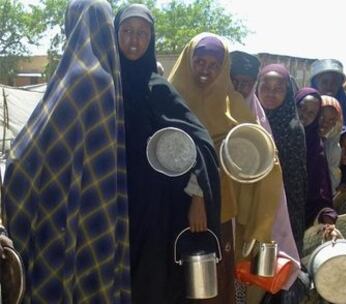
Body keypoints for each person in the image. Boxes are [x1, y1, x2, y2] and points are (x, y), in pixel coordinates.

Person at [2, 0, 131, 302]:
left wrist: (14, 165)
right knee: (90, 277)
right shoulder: (107, 77)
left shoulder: (79, 77)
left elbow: (27, 151)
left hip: (58, 207)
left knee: (57, 281)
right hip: (97, 206)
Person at [169, 33, 300, 304]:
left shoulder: (234, 106)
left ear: (222, 68)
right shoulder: (169, 97)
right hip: (168, 207)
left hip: (217, 210)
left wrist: (200, 196)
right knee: (173, 279)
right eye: (200, 61)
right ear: (188, 60)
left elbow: (262, 161)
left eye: (215, 64)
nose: (206, 69)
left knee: (212, 283)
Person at [115, 6, 221, 303]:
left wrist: (198, 195)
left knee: (153, 283)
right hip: (115, 205)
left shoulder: (159, 89)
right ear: (115, 35)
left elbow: (200, 143)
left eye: (142, 33)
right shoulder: (104, 88)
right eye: (127, 32)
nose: (134, 41)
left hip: (157, 210)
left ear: (151, 38)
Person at [256, 64, 307, 254]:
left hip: (282, 207)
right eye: (265, 87)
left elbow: (295, 182)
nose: (270, 93)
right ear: (257, 88)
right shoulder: (248, 120)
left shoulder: (293, 128)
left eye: (278, 89)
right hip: (251, 203)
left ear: (287, 92)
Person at [295, 88, 333, 227]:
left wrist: (326, 214)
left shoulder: (316, 147)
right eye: (301, 107)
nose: (304, 115)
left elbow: (320, 188)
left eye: (311, 113)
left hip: (300, 216)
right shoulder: (277, 131)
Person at [230, 50, 272, 134]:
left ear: (253, 86)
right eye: (234, 81)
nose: (238, 88)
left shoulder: (259, 119)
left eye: (245, 83)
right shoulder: (214, 107)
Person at [310, 59, 346, 125]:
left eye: (335, 82)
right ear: (315, 84)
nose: (329, 86)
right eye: (324, 82)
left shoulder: (345, 112)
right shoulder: (306, 108)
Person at [319, 95, 343, 194]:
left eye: (331, 120)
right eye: (322, 117)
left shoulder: (334, 147)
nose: (325, 123)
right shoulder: (302, 141)